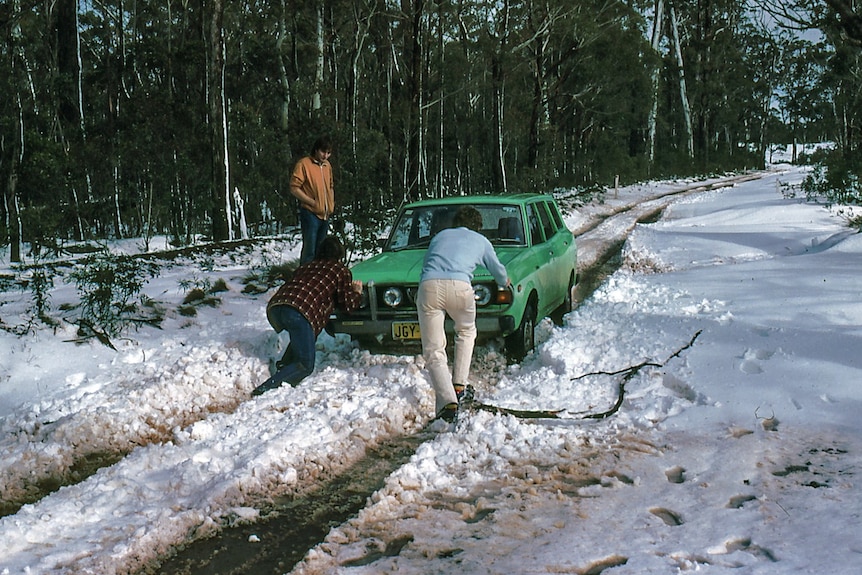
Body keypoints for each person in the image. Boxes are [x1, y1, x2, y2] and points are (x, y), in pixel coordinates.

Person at [416, 205, 510, 422]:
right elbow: (497, 270)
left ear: (455, 223)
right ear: (478, 226)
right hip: (460, 286)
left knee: (433, 349)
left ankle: (448, 401)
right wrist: (504, 281)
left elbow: (426, 265)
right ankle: (459, 385)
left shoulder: (439, 237)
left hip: (429, 286)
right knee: (466, 331)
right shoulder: (481, 240)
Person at [252, 236, 362, 396]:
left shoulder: (306, 266)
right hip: (298, 311)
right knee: (305, 364)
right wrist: (357, 292)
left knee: (301, 338)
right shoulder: (339, 270)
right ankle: (266, 389)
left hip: (276, 308)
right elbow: (347, 305)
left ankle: (284, 367)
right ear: (340, 255)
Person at [290, 135, 335, 264]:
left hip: (325, 214)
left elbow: (331, 186)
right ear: (316, 150)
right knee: (309, 251)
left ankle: (317, 279)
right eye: (323, 151)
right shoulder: (304, 164)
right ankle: (304, 278)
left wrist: (331, 203)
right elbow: (294, 188)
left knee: (322, 251)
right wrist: (311, 202)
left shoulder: (327, 166)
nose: (325, 156)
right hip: (310, 213)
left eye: (328, 153)